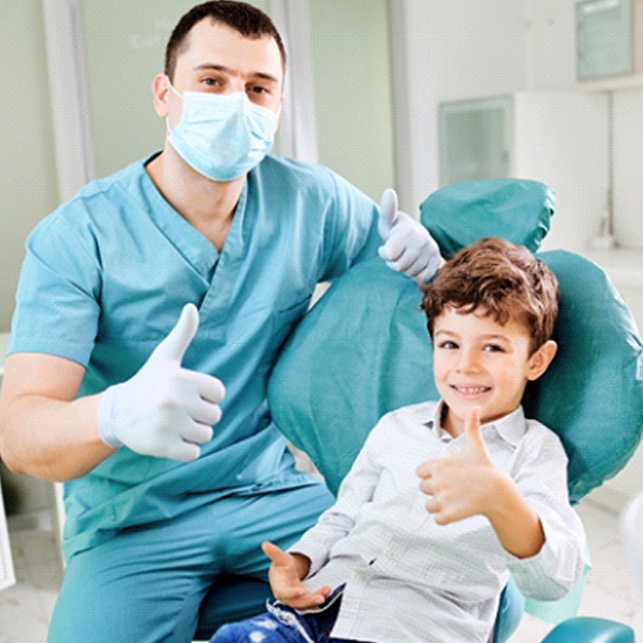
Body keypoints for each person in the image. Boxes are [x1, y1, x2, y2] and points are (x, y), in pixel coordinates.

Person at [0, 2, 441, 642]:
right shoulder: (78, 236)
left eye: (258, 88)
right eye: (212, 81)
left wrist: (431, 263)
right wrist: (115, 413)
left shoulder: (310, 200)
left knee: (453, 593)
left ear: (278, 106)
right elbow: (18, 432)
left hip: (270, 496)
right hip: (134, 521)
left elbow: (431, 296)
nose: (237, 102)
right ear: (165, 94)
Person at [210, 237, 587, 643]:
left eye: (493, 347)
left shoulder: (533, 451)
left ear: (537, 360)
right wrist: (299, 562)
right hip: (318, 607)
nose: (466, 366)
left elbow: (556, 579)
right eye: (450, 344)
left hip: (412, 629)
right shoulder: (396, 427)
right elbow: (344, 516)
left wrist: (501, 500)